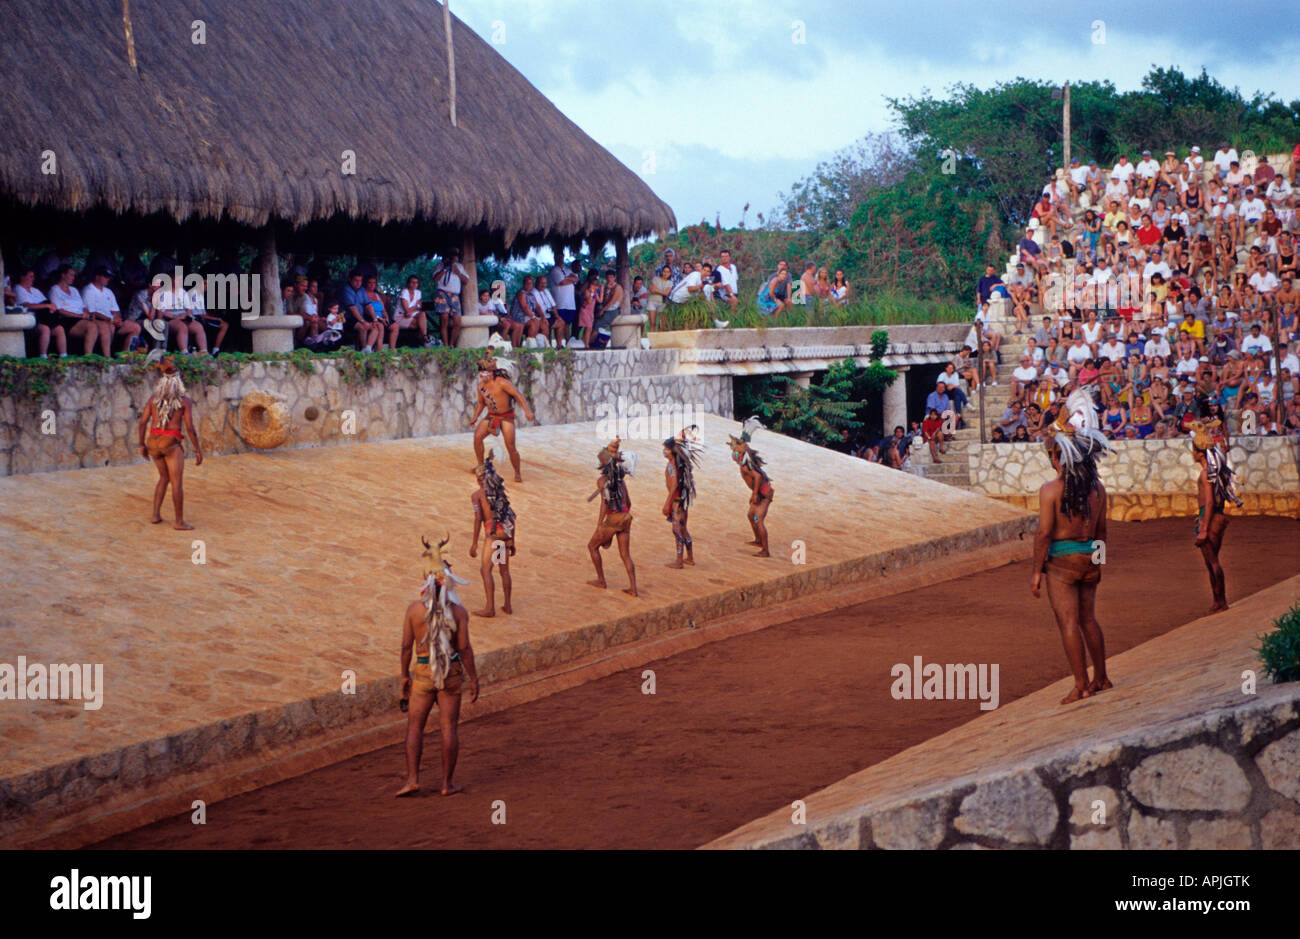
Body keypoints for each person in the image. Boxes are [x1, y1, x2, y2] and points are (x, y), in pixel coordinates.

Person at [1031, 389, 1113, 705]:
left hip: (1062, 564)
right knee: (1088, 619)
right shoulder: (1098, 488)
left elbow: (1043, 535)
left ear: (1057, 457)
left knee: (1068, 623)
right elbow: (1102, 531)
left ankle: (1081, 685)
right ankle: (1101, 677)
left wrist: (1036, 573)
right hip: (1089, 557)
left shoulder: (1051, 490)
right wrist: (1098, 563)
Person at [396, 534, 479, 798]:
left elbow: (406, 647)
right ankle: (447, 784)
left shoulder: (413, 610)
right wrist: (474, 678)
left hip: (422, 671)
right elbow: (464, 649)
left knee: (414, 727)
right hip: (450, 673)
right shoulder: (459, 612)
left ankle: (412, 780)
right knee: (448, 728)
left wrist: (403, 677)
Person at [136, 358, 202, 530]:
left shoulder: (153, 399)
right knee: (176, 483)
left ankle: (155, 515)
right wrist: (197, 450)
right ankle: (179, 522)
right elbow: (189, 428)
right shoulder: (184, 401)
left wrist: (141, 444)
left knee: (163, 478)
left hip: (153, 443)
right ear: (178, 383)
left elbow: (142, 422)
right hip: (170, 443)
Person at [1190, 420, 1242, 614]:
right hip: (1217, 517)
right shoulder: (1215, 470)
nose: (1192, 453)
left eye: (1194, 450)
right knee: (1212, 562)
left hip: (1209, 518)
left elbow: (1210, 501)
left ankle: (1220, 600)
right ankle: (1218, 600)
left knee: (1212, 562)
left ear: (1200, 453)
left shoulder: (1206, 473)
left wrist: (1203, 528)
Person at [469, 354, 535, 482]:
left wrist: (527, 411)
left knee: (510, 447)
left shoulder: (502, 383)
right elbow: (481, 403)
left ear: (492, 372)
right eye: (481, 372)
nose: (482, 374)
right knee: (477, 437)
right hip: (492, 416)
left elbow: (518, 395)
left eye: (485, 371)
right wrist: (475, 417)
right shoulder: (481, 386)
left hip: (506, 417)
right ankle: (480, 465)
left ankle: (517, 473)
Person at [587, 438, 638, 597]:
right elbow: (628, 502)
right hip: (625, 517)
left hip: (613, 518)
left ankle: (601, 580)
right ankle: (633, 588)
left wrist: (600, 524)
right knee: (625, 555)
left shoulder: (602, 481)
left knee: (592, 547)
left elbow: (605, 503)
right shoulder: (621, 481)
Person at [468, 455, 516, 618]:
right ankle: (508, 606)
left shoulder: (477, 496)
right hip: (504, 535)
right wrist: (512, 540)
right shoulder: (499, 491)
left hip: (493, 535)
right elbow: (509, 514)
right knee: (504, 570)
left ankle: (490, 608)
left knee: (486, 570)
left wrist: (474, 543)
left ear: (478, 478)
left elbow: (478, 519)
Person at [728, 417, 773, 557]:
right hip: (760, 493)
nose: (734, 456)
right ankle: (758, 540)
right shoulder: (744, 465)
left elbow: (758, 477)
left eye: (736, 453)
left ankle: (765, 550)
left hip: (764, 494)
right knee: (751, 515)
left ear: (741, 454)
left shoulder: (746, 467)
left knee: (757, 519)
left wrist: (754, 494)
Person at [662, 426, 703, 569]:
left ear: (671, 451)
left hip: (676, 503)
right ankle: (690, 558)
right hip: (682, 502)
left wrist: (667, 503)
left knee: (677, 531)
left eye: (665, 449)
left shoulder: (672, 466)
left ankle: (679, 561)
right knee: (684, 529)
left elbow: (673, 486)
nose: (664, 451)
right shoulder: (677, 465)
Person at [432, 250, 470, 348]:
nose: (453, 258)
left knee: (457, 321)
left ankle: (451, 344)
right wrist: (445, 268)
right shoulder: (440, 265)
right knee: (444, 319)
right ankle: (445, 344)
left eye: (455, 256)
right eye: (451, 256)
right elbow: (435, 278)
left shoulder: (459, 266)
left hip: (455, 295)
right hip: (442, 293)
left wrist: (457, 272)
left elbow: (466, 280)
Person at [548, 257, 579, 345]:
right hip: (560, 302)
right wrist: (570, 279)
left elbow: (576, 279)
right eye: (559, 257)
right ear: (555, 258)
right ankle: (558, 343)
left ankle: (567, 342)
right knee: (560, 322)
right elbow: (561, 282)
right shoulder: (554, 271)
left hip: (570, 303)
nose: (560, 259)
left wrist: (568, 279)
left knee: (567, 324)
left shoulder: (567, 269)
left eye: (561, 257)